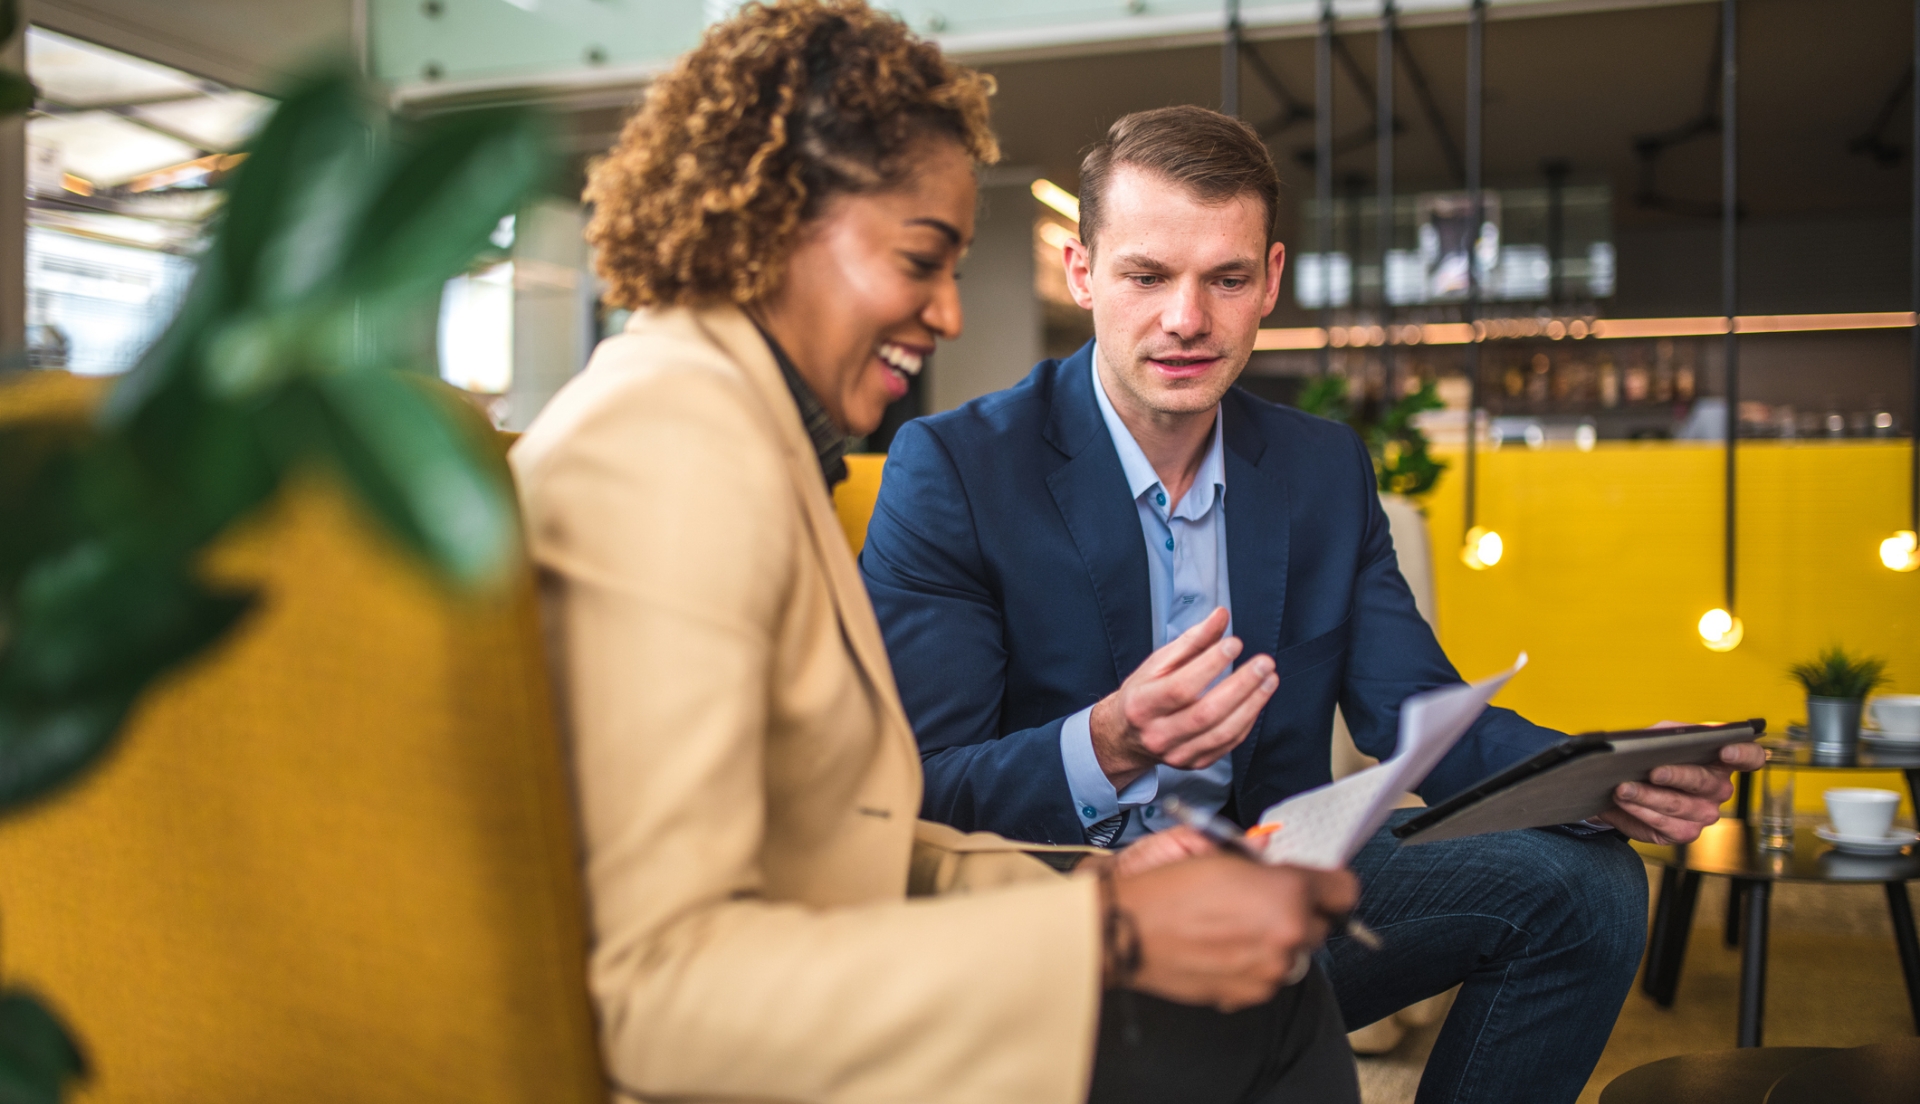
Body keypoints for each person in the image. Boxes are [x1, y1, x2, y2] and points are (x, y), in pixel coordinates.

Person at [510, 6, 1363, 1102]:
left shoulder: (739, 431)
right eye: (923, 259)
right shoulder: (671, 454)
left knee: (1280, 989)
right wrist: (1099, 935)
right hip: (758, 1051)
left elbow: (836, 834)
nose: (954, 313)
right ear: (773, 225)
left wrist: (1093, 896)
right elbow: (652, 993)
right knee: (1261, 1015)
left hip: (858, 971)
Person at [859, 104, 1766, 1104]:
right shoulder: (954, 468)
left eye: (1227, 278)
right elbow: (919, 789)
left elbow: (1416, 712)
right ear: (1083, 273)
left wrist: (1601, 775)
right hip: (1069, 912)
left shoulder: (1320, 467)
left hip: (1277, 877)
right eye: (1147, 275)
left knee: (1588, 890)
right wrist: (1109, 741)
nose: (1186, 320)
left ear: (1271, 284)